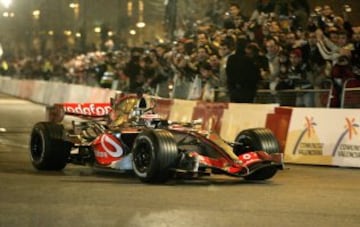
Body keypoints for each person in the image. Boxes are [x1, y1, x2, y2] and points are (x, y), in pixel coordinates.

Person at [226, 38, 261, 103]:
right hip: (247, 91)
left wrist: (231, 88)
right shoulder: (249, 60)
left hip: (234, 90)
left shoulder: (231, 59)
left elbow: (228, 74)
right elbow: (255, 75)